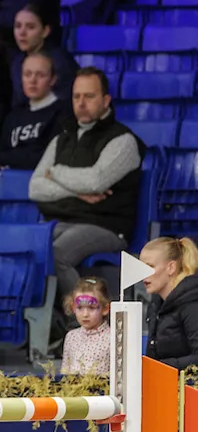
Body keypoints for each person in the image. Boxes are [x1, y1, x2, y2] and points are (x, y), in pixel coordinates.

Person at [30, 68, 145, 299]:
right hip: (63, 220)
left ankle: (85, 322)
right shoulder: (62, 139)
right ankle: (50, 319)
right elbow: (35, 187)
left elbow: (95, 181)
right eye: (76, 96)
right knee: (29, 246)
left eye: (89, 96)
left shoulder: (123, 140)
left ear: (105, 100)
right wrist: (77, 192)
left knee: (56, 253)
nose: (81, 103)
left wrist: (55, 172)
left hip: (107, 225)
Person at [0, 52, 67, 171]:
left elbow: (48, 157)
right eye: (27, 74)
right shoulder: (14, 115)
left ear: (53, 79)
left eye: (40, 75)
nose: (32, 80)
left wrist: (2, 159)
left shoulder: (63, 112)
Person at [143, 236, 198, 370]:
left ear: (171, 267)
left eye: (149, 267)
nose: (143, 275)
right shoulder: (155, 305)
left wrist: (162, 367)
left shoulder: (192, 304)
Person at [9, 4, 77, 105]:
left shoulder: (60, 61)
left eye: (30, 27)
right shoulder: (17, 62)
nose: (22, 33)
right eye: (18, 26)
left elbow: (67, 103)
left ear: (45, 31)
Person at [61, 276, 111, 375]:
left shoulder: (112, 338)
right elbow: (65, 370)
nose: (85, 314)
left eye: (91, 308)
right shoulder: (71, 336)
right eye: (79, 308)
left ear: (105, 309)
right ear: (73, 308)